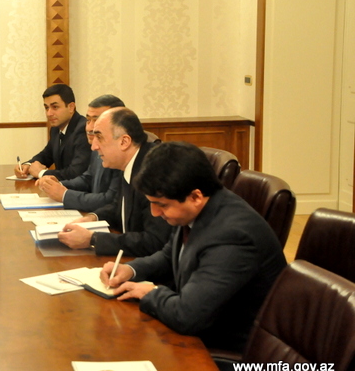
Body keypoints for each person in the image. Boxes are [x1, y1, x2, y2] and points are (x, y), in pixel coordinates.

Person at [100, 141, 287, 353]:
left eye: (161, 205)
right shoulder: (201, 207)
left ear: (195, 196)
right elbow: (170, 255)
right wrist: (131, 269)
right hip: (200, 330)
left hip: (229, 351)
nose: (154, 213)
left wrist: (151, 293)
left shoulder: (233, 236)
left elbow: (187, 316)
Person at [57, 107, 170, 256]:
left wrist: (93, 239)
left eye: (100, 138)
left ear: (124, 142)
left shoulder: (154, 172)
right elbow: (118, 206)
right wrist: (92, 218)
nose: (94, 146)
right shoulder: (130, 162)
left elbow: (154, 241)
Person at [37, 94, 125, 212]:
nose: (89, 128)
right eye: (88, 120)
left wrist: (64, 195)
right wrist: (57, 185)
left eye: (97, 120)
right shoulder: (97, 145)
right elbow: (87, 179)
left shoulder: (123, 153)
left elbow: (111, 201)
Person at [14, 84, 91, 182]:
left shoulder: (84, 130)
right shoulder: (55, 129)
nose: (49, 113)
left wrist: (41, 173)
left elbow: (75, 173)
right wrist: (27, 165)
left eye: (55, 107)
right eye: (47, 108)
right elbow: (46, 155)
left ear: (71, 107)